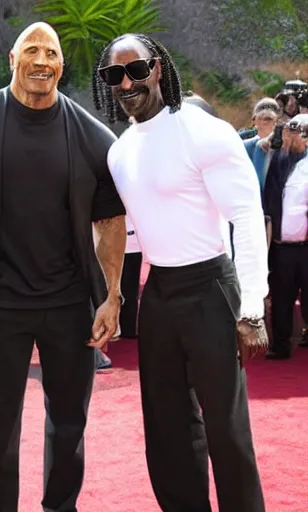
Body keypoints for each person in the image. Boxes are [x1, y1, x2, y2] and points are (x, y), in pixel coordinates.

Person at [0, 22, 126, 512]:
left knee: (69, 424)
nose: (42, 61)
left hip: (70, 304)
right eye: (32, 50)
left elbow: (110, 220)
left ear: (61, 65)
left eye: (51, 52)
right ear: (12, 58)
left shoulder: (92, 135)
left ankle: (60, 507)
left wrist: (111, 295)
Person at [93, 33, 269, 512]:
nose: (126, 82)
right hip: (160, 292)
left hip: (212, 286)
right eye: (114, 74)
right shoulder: (120, 151)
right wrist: (113, 296)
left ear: (157, 68)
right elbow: (122, 231)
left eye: (136, 69)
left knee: (226, 428)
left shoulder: (202, 130)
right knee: (167, 427)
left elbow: (247, 216)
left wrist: (252, 307)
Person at [263, 114, 308, 358]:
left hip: (306, 246)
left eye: (297, 133)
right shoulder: (278, 161)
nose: (291, 137)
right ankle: (280, 345)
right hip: (282, 247)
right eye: (289, 133)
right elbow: (269, 202)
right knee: (281, 297)